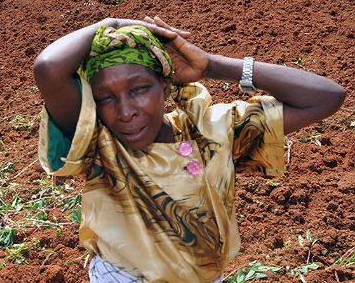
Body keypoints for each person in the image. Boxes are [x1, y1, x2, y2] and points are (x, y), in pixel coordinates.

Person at [33, 16, 345, 283]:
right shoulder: (100, 143)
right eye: (106, 98)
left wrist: (212, 65)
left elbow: (327, 97)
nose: (126, 111)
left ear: (165, 86)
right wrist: (109, 24)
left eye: (139, 90)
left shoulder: (210, 131)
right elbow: (48, 68)